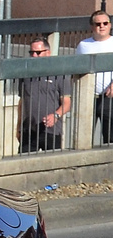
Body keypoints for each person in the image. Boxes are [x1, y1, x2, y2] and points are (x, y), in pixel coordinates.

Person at [19, 39, 71, 153]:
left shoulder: (59, 74)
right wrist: (18, 127)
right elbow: (22, 101)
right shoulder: (25, 74)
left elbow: (67, 103)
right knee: (24, 165)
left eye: (38, 52)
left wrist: (56, 116)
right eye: (31, 52)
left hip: (51, 131)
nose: (34, 56)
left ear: (48, 52)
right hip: (29, 130)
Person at [75, 9, 113, 143]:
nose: (101, 26)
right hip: (88, 97)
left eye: (105, 23)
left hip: (109, 98)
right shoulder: (83, 45)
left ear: (110, 25)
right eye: (98, 24)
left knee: (110, 138)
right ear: (92, 26)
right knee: (84, 138)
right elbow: (76, 69)